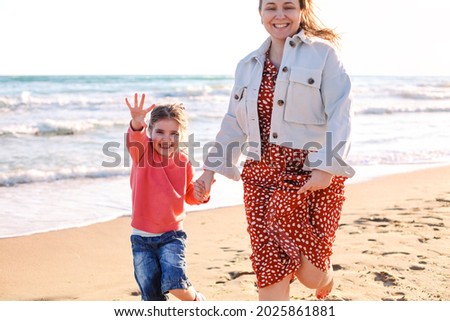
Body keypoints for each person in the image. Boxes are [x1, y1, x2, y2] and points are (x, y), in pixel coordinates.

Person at [197, 0, 355, 301]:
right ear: (260, 13)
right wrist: (209, 172)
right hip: (259, 175)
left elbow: (341, 112)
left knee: (312, 277)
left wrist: (326, 167)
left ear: (301, 11)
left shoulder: (323, 55)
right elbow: (233, 123)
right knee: (268, 273)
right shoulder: (247, 66)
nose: (279, 15)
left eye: (288, 7)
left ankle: (326, 276)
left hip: (308, 172)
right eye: (271, 7)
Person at [125, 93, 208, 301]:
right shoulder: (142, 153)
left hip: (172, 235)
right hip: (141, 238)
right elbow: (135, 137)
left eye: (174, 133)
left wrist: (201, 194)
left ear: (182, 135)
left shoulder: (184, 162)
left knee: (175, 284)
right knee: (152, 297)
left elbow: (189, 196)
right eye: (160, 132)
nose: (167, 138)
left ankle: (197, 300)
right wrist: (137, 123)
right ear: (151, 132)